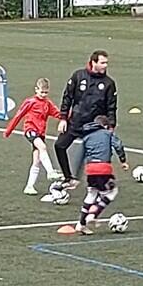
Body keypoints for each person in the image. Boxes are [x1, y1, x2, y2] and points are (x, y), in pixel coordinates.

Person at [54, 50, 116, 186]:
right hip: (76, 121)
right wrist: (63, 118)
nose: (105, 66)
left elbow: (111, 106)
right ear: (93, 62)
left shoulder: (109, 83)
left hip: (94, 126)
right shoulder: (78, 76)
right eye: (102, 63)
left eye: (106, 63)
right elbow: (67, 97)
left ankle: (102, 180)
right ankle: (68, 177)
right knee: (59, 145)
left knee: (99, 154)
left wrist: (110, 126)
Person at [3, 78, 62, 194]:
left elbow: (57, 114)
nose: (43, 95)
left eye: (46, 92)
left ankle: (29, 186)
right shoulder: (30, 102)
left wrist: (70, 116)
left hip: (41, 133)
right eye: (41, 92)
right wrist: (8, 130)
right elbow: (18, 116)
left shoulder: (47, 104)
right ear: (36, 90)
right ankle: (50, 172)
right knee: (43, 147)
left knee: (36, 160)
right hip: (31, 130)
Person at [76, 114, 128, 234]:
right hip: (103, 168)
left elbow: (79, 157)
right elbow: (118, 145)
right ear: (105, 126)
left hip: (90, 169)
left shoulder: (87, 136)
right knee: (111, 191)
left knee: (92, 193)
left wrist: (75, 176)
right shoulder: (107, 133)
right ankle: (93, 215)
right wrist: (123, 160)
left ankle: (81, 224)